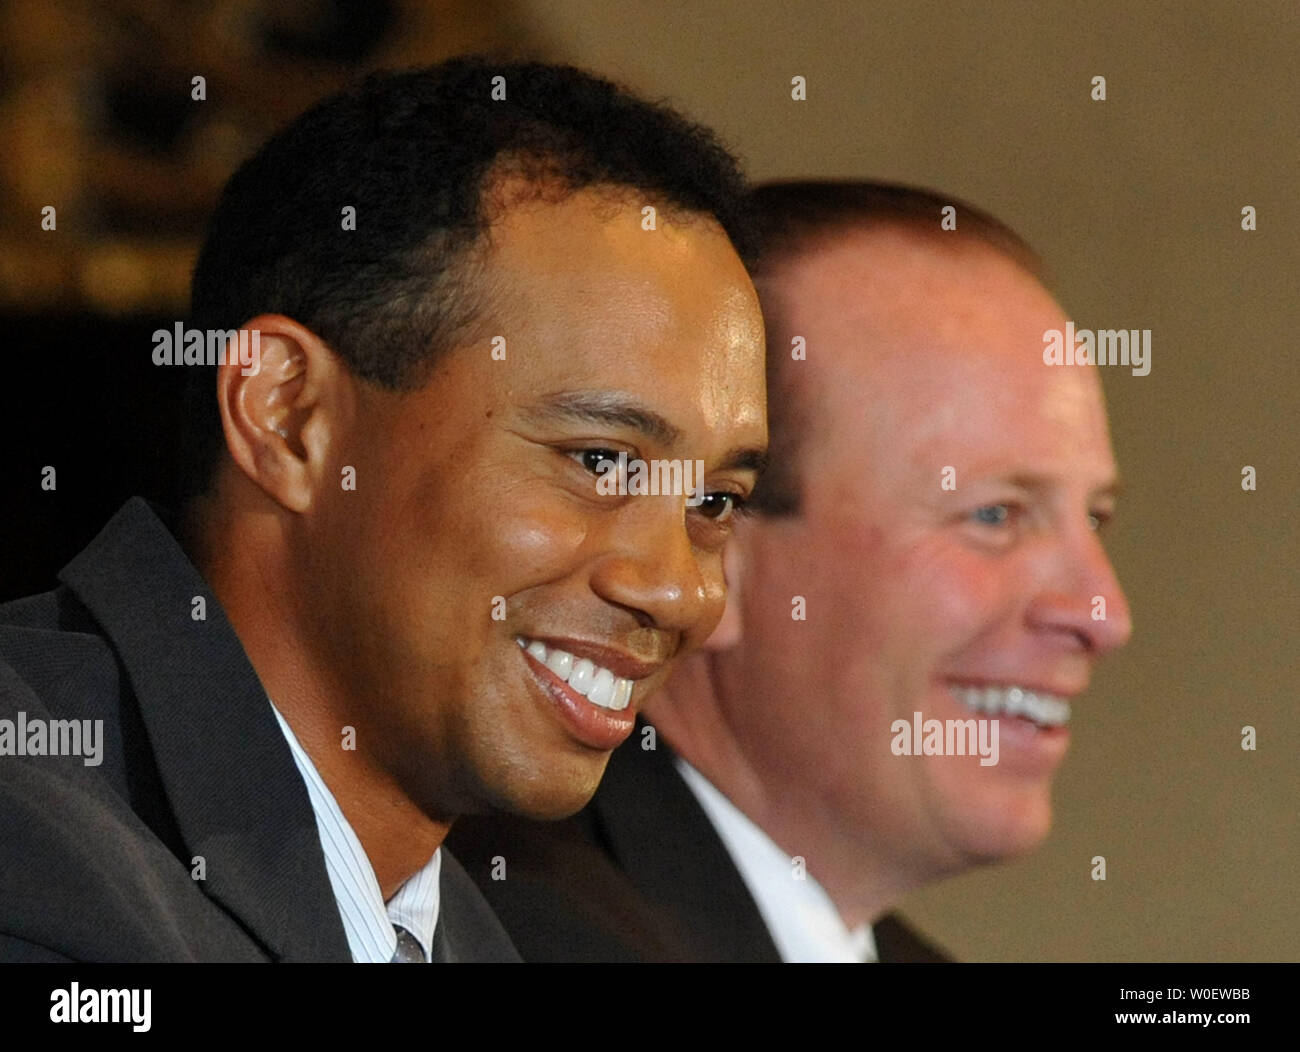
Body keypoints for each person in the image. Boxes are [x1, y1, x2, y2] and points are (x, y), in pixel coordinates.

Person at [0, 58, 768, 962]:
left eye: (715, 501)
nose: (680, 593)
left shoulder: (469, 932)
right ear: (290, 417)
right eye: (600, 460)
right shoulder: (34, 850)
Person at [449, 180, 1134, 962]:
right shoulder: (499, 931)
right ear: (720, 547)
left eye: (1095, 518)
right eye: (995, 515)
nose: (1103, 613)